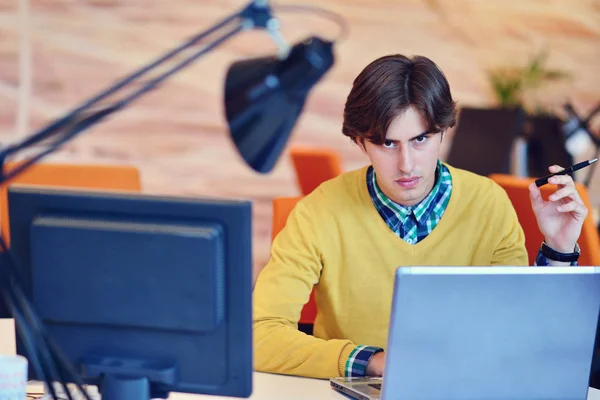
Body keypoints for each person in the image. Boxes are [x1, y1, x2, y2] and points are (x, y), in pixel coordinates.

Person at [252, 54, 588, 379]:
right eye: (387, 143)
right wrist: (374, 362)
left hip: (464, 385)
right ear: (359, 142)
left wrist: (559, 249)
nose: (407, 164)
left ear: (444, 131)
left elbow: (523, 336)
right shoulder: (317, 211)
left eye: (420, 139)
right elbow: (259, 335)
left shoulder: (489, 204)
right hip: (356, 388)